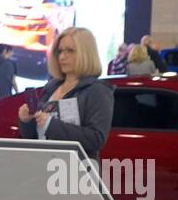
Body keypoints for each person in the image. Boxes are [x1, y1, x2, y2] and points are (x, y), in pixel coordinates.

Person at [18, 26, 114, 162]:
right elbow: (33, 137)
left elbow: (96, 139)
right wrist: (26, 121)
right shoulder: (51, 87)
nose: (62, 56)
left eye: (70, 51)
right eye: (60, 51)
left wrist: (52, 125)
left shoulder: (97, 90)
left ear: (85, 53)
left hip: (75, 174)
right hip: (43, 169)